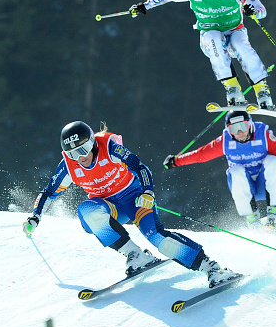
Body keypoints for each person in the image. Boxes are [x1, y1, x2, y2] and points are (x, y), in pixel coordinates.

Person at [22, 121, 237, 288]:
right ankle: (135, 254)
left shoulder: (110, 148)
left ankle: (211, 268)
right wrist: (35, 216)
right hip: (111, 208)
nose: (80, 157)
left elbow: (141, 168)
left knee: (157, 238)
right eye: (71, 153)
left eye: (83, 148)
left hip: (135, 199)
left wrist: (147, 192)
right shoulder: (69, 166)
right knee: (87, 211)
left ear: (92, 143)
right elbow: (49, 192)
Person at [128, 0, 276, 110]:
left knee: (240, 44)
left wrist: (252, 11)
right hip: (210, 37)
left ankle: (262, 92)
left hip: (234, 30)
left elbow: (261, 10)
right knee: (213, 37)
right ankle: (233, 89)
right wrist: (144, 6)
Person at [163, 110, 276, 229]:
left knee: (273, 159)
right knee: (235, 170)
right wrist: (176, 161)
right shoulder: (226, 140)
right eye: (234, 129)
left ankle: (273, 215)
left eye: (243, 127)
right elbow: (202, 155)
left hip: (264, 184)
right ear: (229, 130)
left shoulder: (263, 134)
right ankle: (252, 220)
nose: (240, 132)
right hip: (245, 188)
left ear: (250, 125)